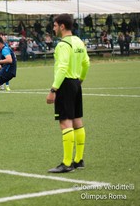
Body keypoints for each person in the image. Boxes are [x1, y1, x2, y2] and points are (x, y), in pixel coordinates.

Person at [46, 13, 90, 173]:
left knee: (65, 122)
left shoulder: (63, 45)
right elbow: (86, 63)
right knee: (77, 120)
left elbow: (62, 68)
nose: (54, 28)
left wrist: (53, 90)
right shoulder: (79, 42)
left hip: (65, 84)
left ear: (62, 26)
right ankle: (78, 160)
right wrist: (81, 80)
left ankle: (66, 163)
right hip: (76, 83)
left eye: (55, 25)